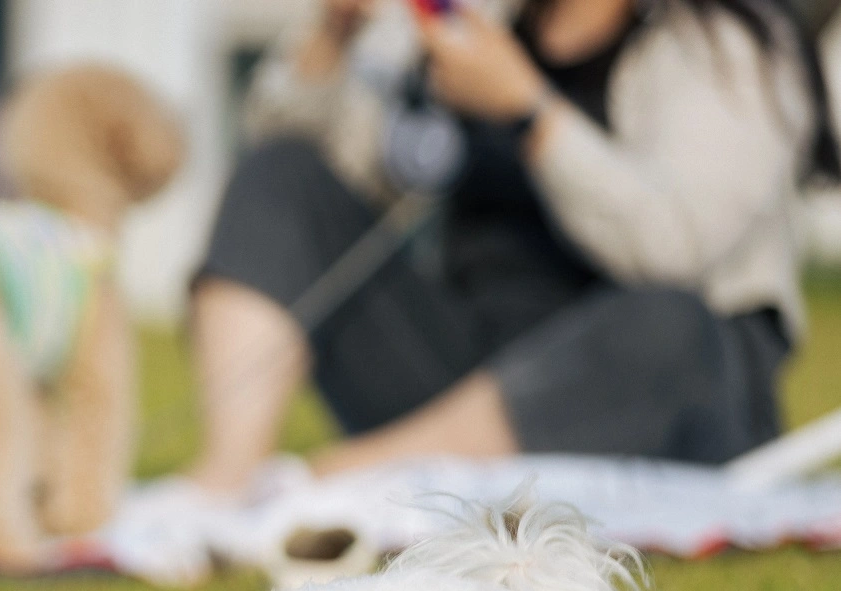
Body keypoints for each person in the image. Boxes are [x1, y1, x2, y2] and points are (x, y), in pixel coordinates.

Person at [185, 0, 840, 495]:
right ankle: (227, 483)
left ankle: (337, 482)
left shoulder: (734, 41)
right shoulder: (473, 24)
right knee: (282, 173)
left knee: (669, 325)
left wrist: (530, 112)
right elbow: (287, 183)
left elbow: (673, 246)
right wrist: (333, 36)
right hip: (468, 376)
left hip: (658, 385)